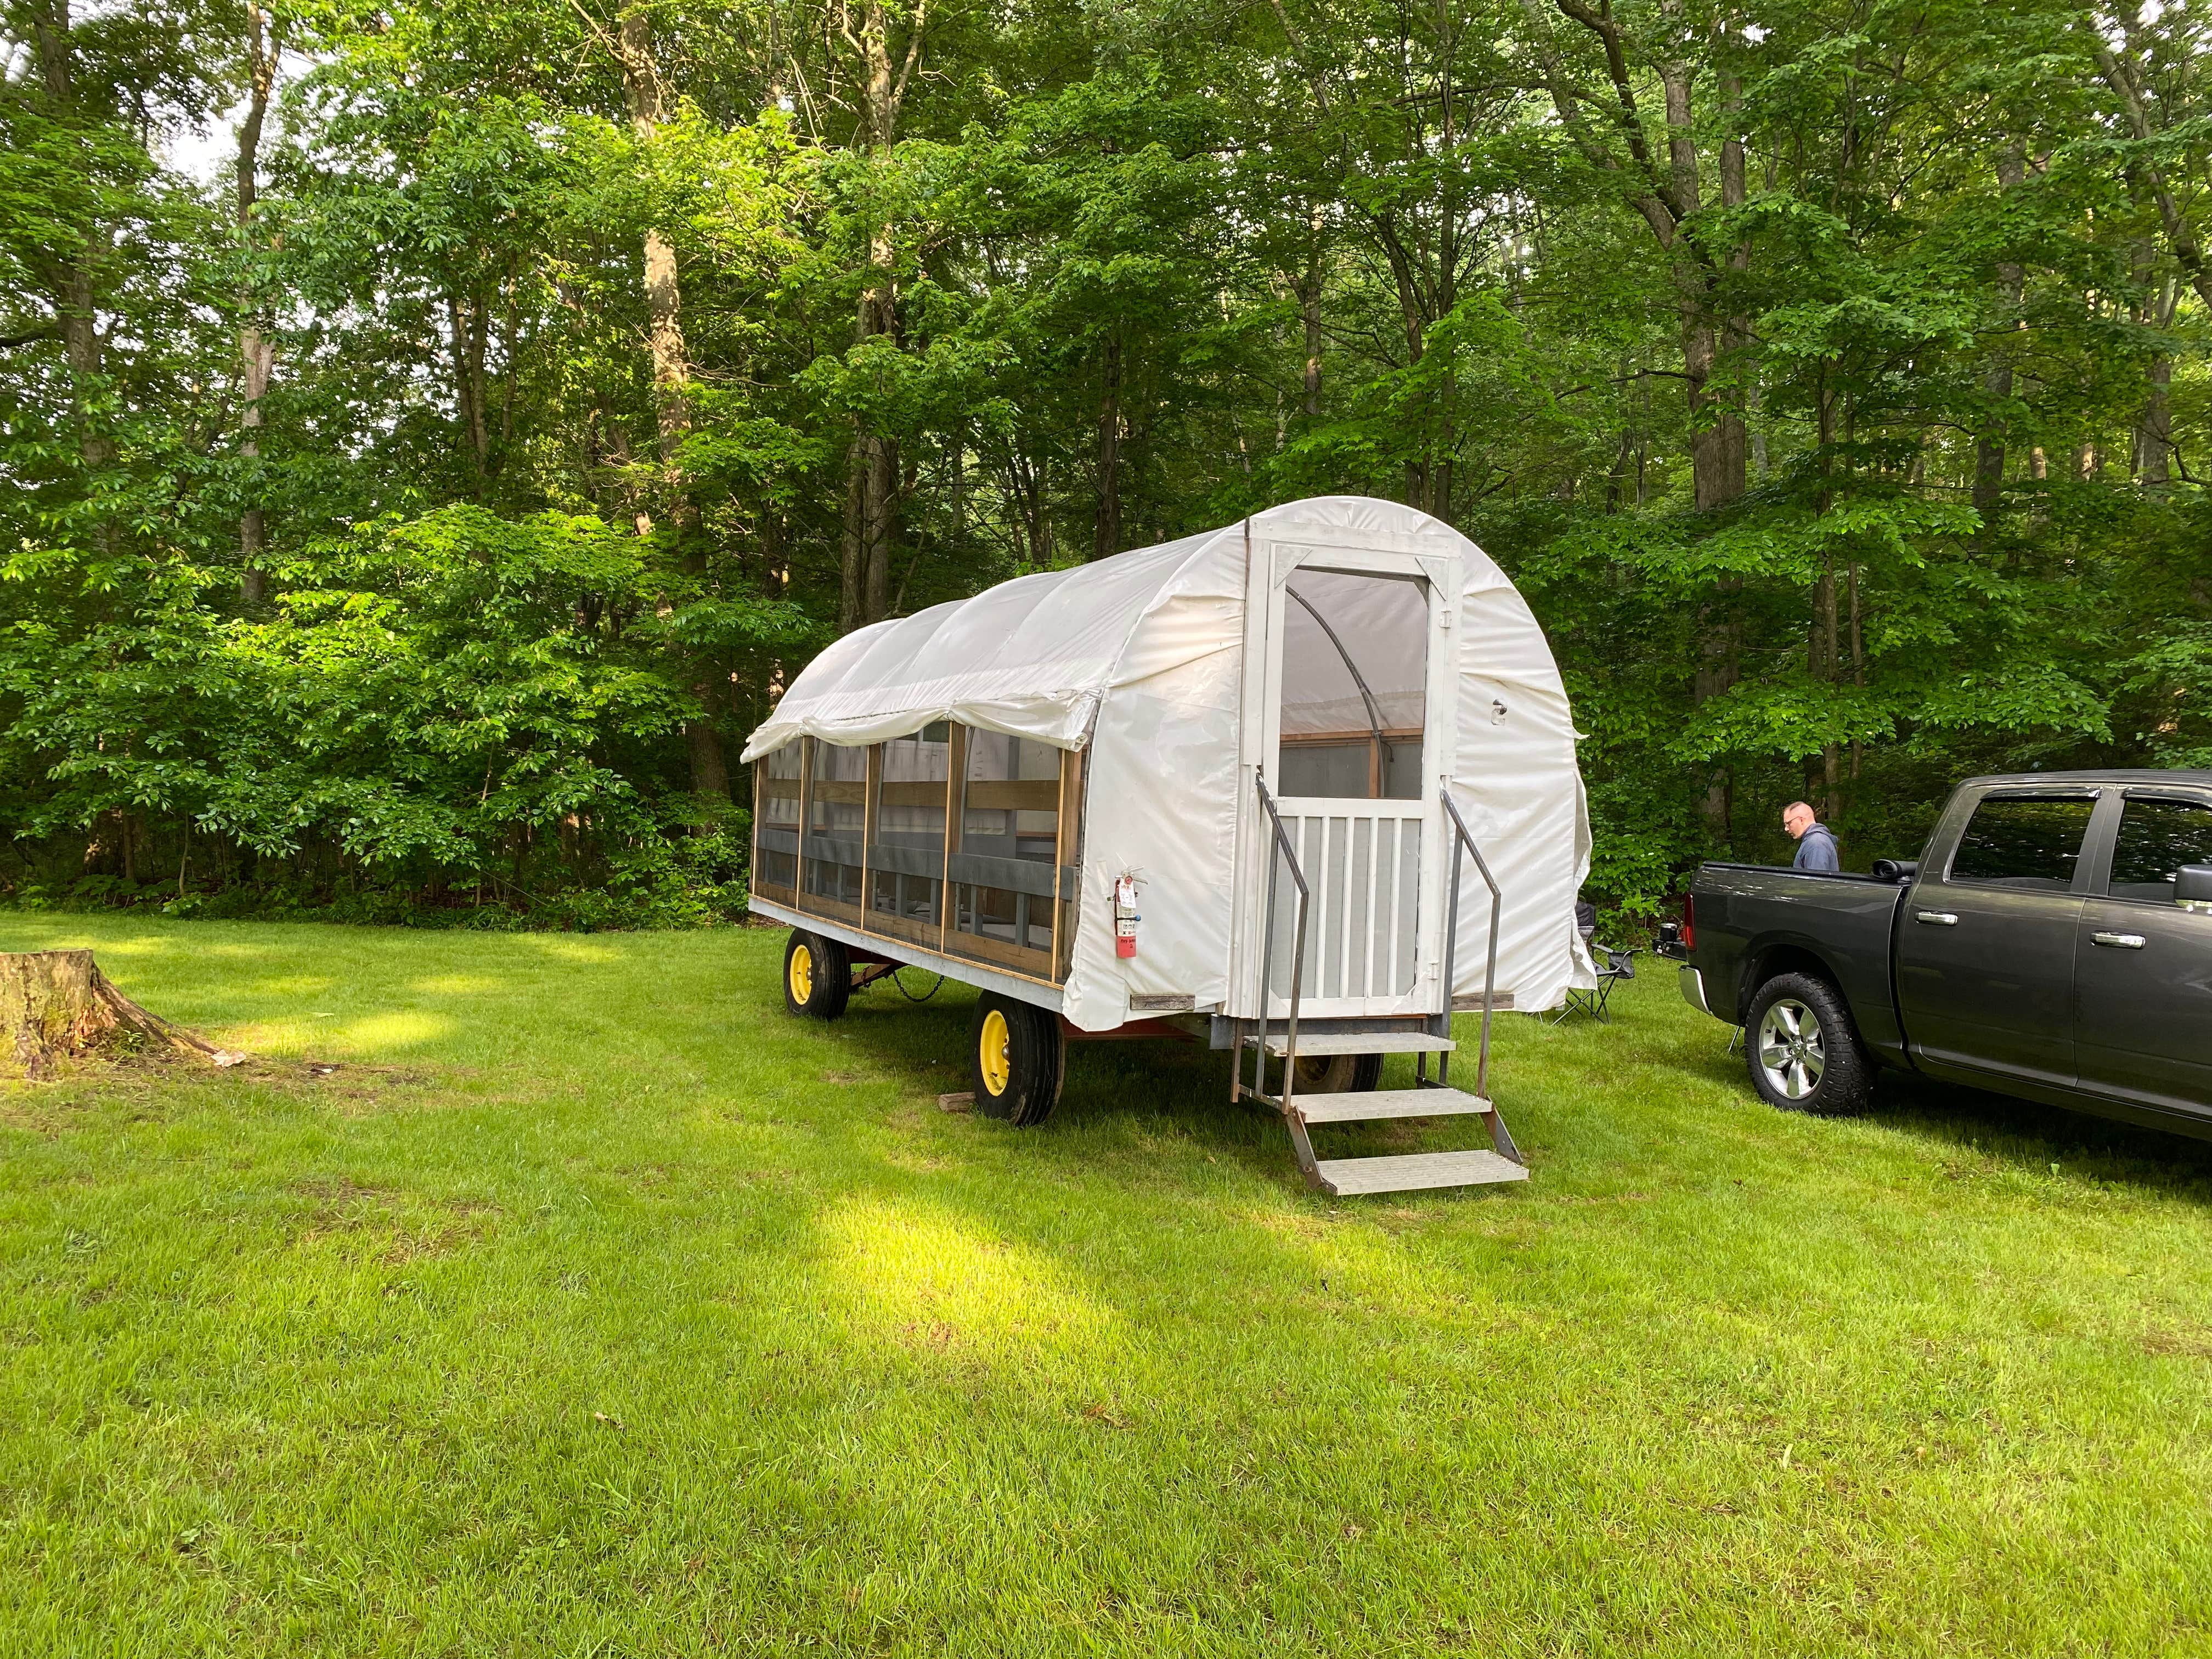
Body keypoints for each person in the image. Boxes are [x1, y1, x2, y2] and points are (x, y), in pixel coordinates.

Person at [1784, 801, 1840, 872]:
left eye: (1788, 823)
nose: (1786, 829)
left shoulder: (1817, 843)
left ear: (1801, 820)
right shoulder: (1814, 841)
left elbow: (1816, 881)